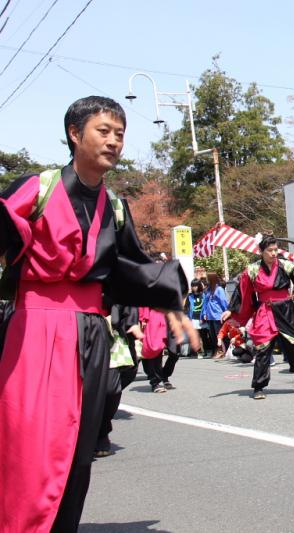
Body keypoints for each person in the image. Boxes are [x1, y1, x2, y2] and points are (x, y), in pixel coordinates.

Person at [0, 96, 197, 532]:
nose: (113, 141)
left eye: (120, 134)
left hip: (91, 330)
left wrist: (173, 302)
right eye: (103, 131)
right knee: (30, 444)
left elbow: (135, 267)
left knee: (78, 448)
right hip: (37, 325)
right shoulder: (38, 186)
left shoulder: (115, 206)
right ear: (75, 134)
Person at [222, 237, 294, 400]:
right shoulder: (252, 270)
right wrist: (231, 310)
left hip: (285, 310)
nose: (274, 253)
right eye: (270, 250)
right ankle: (259, 386)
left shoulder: (286, 266)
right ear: (261, 251)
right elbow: (241, 291)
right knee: (263, 349)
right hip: (265, 311)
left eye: (275, 250)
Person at [94, 305, 143, 458]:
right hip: (73, 320)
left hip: (108, 327)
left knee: (111, 389)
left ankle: (101, 430)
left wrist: (132, 320)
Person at [139, 307, 181, 392]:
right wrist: (143, 318)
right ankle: (155, 382)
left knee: (175, 352)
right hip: (155, 316)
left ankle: (164, 375)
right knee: (155, 349)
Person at [203, 271, 228, 358]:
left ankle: (222, 350)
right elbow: (205, 302)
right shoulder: (208, 290)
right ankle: (217, 350)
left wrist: (226, 312)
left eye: (208, 279)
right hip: (210, 316)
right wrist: (204, 313)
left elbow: (224, 301)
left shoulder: (219, 289)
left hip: (218, 315)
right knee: (212, 335)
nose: (207, 280)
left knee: (219, 334)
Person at [187, 278, 211, 357]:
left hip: (202, 318)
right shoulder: (190, 296)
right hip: (193, 318)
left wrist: (204, 316)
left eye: (196, 285)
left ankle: (206, 351)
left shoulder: (204, 295)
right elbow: (187, 308)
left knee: (204, 336)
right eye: (192, 286)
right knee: (196, 336)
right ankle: (199, 352)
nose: (194, 287)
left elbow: (206, 306)